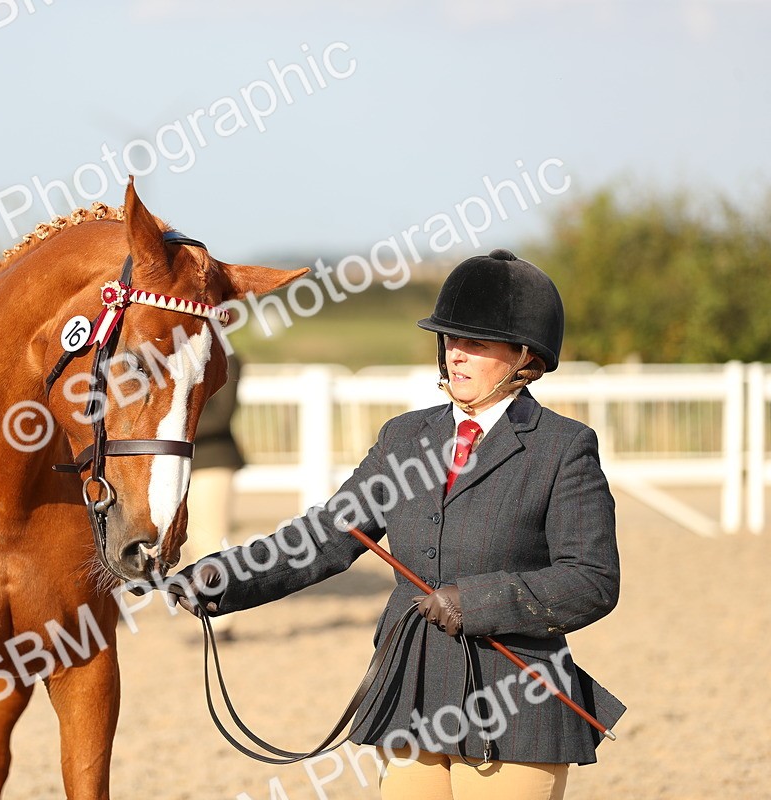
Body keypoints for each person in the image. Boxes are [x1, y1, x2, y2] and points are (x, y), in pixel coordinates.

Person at [171, 249, 623, 800]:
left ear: (524, 356)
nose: (455, 355)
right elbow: (327, 536)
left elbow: (591, 581)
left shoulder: (562, 447)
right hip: (414, 690)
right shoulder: (405, 439)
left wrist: (474, 602)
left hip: (514, 700)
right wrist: (227, 576)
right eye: (450, 340)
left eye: (475, 344)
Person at [183, 352, 245, 640]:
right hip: (186, 463)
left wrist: (176, 426)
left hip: (212, 460)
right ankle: (209, 616)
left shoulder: (228, 358)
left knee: (211, 539)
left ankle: (221, 621)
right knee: (196, 543)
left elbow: (221, 415)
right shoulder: (180, 359)